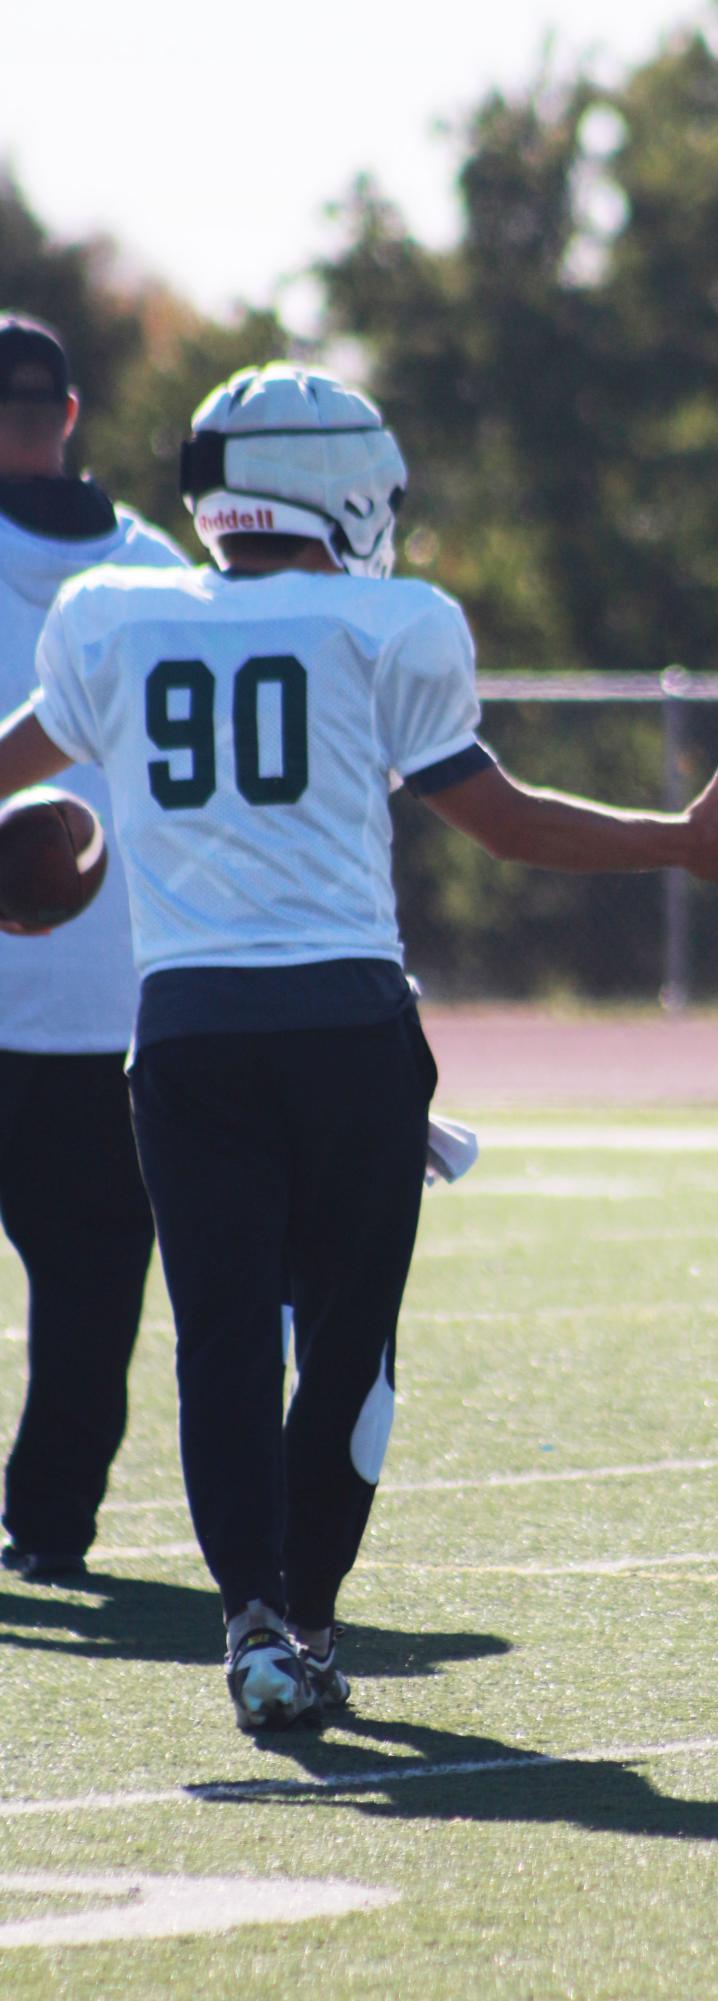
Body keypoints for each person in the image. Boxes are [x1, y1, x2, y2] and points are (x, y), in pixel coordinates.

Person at [0, 361, 718, 1732]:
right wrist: (679, 838)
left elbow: (17, 759)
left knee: (215, 1343)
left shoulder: (111, 616)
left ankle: (256, 1622)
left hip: (188, 1032)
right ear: (337, 488)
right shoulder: (392, 619)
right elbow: (501, 822)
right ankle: (308, 1614)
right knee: (348, 1346)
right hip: (342, 1029)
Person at [0, 313, 188, 1583]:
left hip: (101, 1006)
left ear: (68, 413)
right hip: (72, 1010)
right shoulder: (158, 577)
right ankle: (50, 1527)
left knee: (92, 1290)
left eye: (31, 399)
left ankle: (50, 1527)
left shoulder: (161, 576)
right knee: (91, 1284)